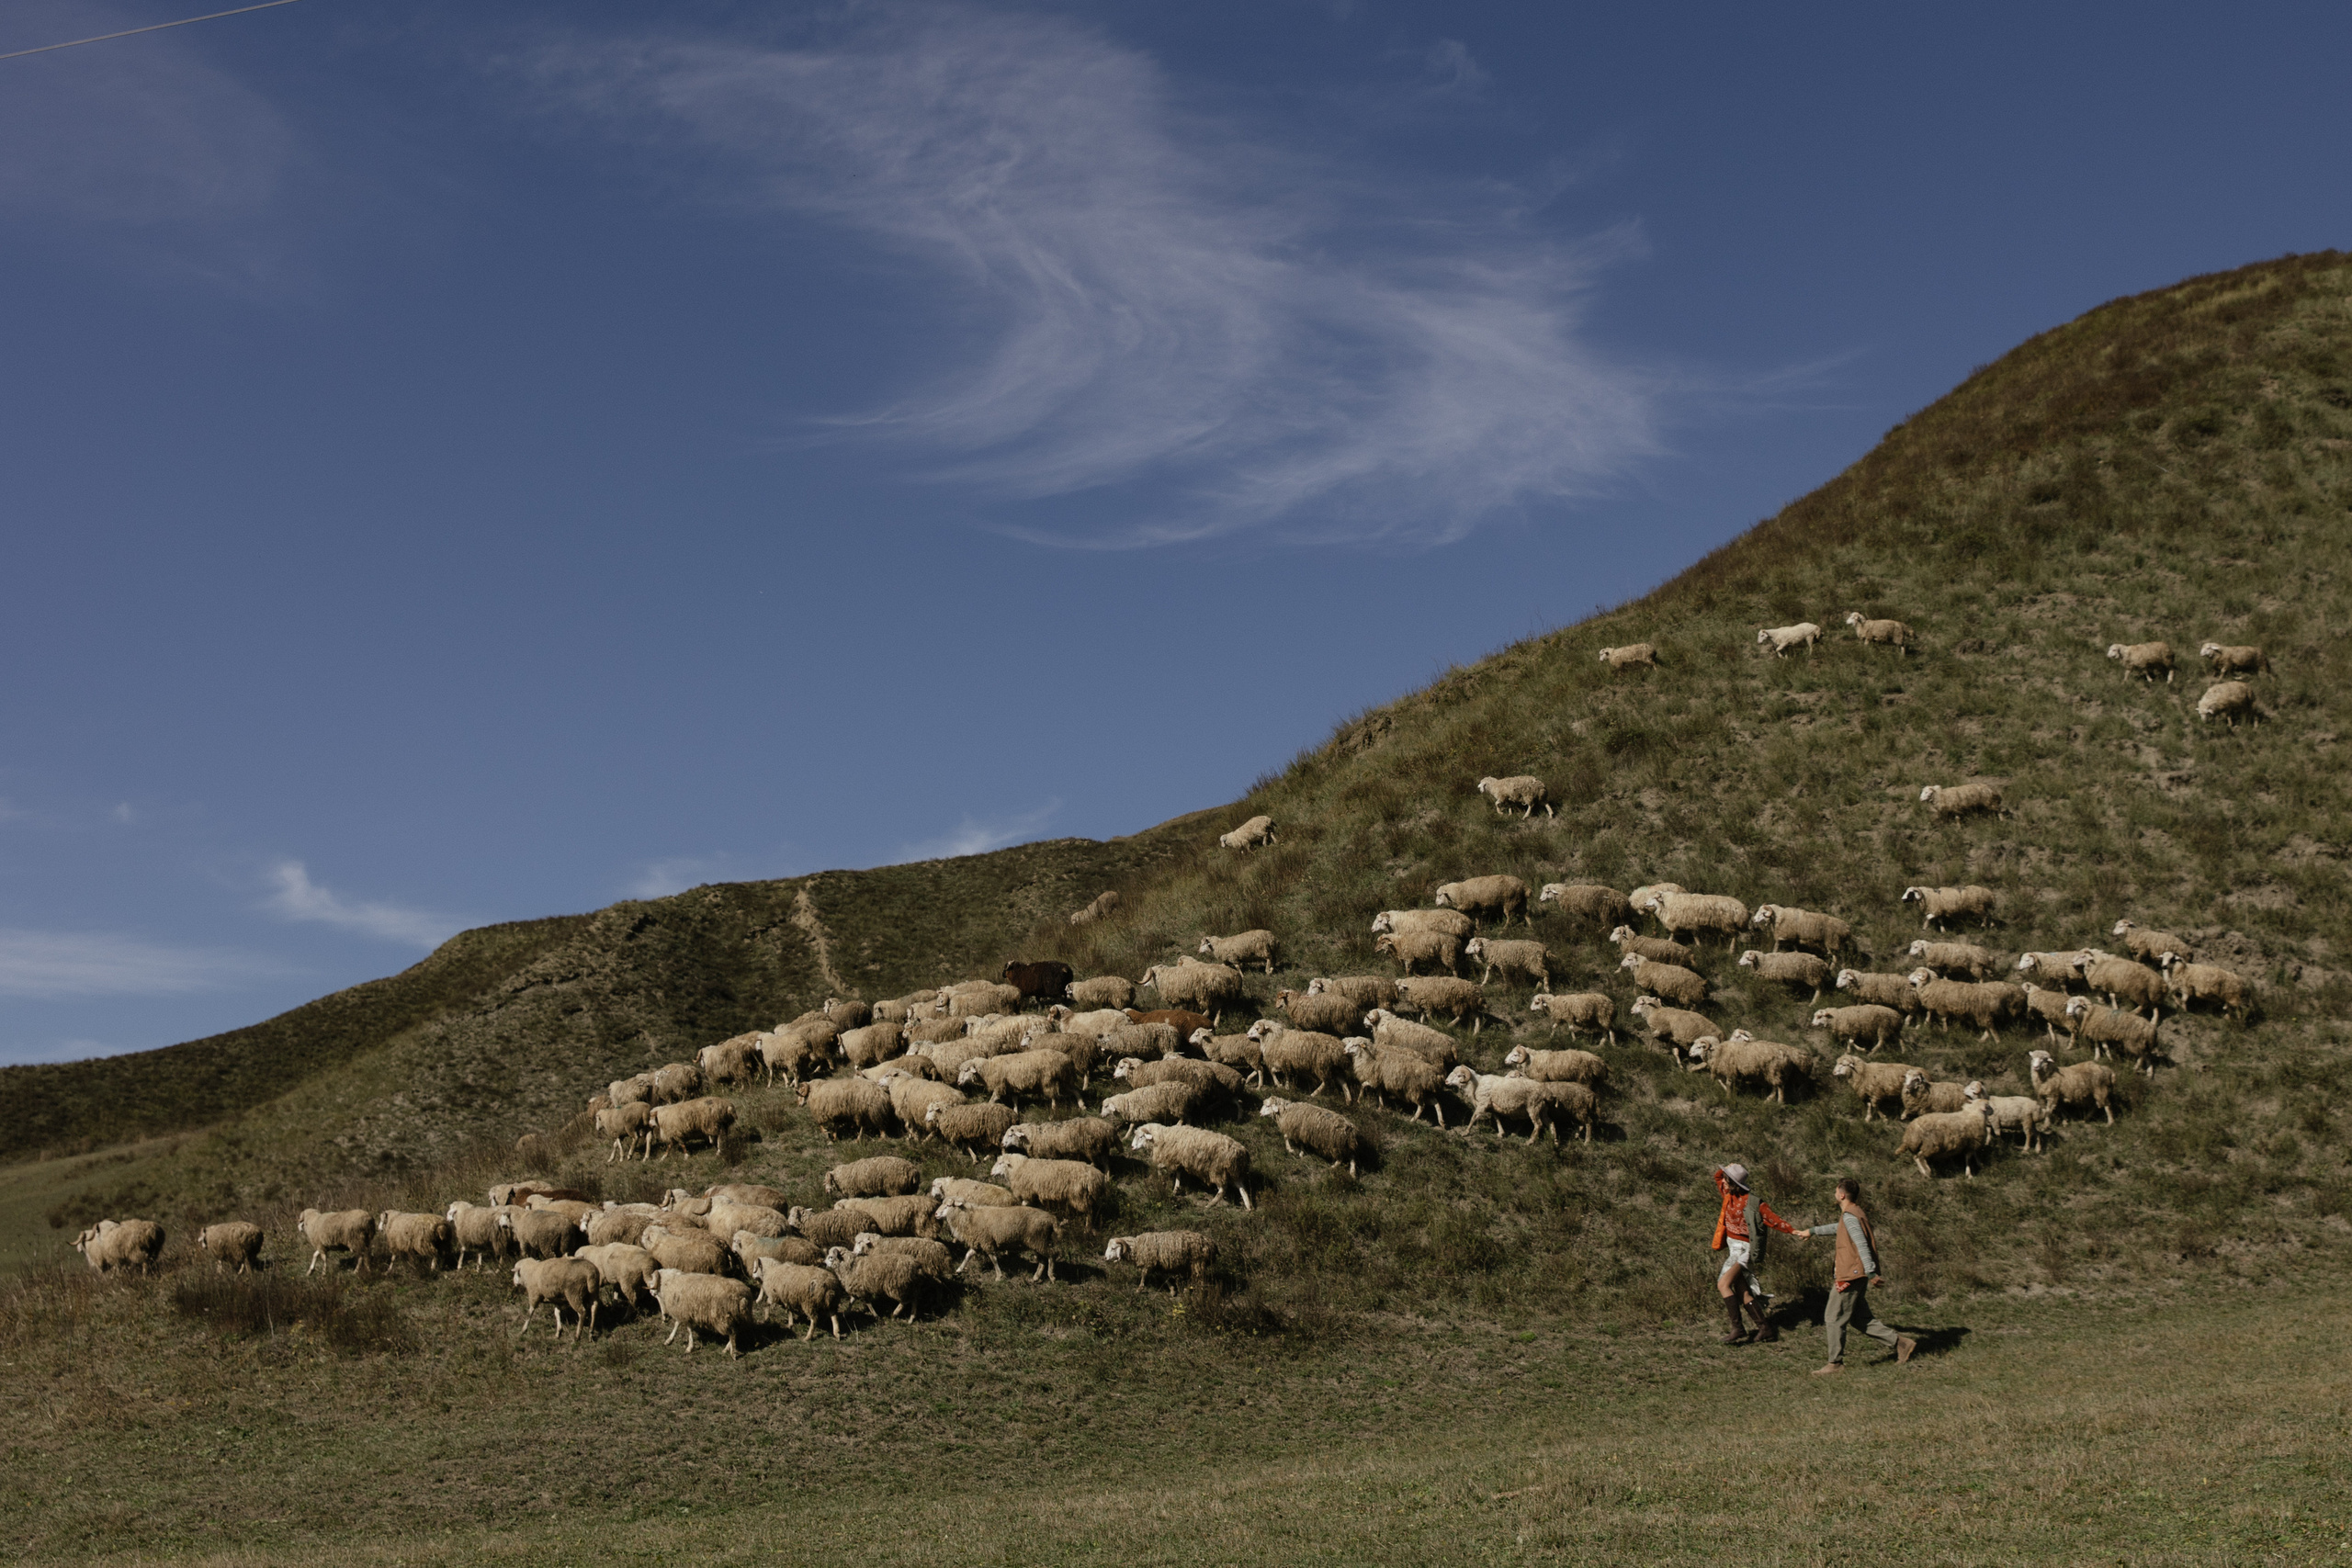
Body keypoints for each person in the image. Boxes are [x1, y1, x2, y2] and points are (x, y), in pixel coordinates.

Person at [1804, 1176, 1917, 1373]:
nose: (1834, 1194)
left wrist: (1871, 1272)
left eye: (1835, 1191)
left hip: (1851, 1274)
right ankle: (1901, 1344)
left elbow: (1861, 1244)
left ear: (1841, 1194)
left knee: (1833, 1317)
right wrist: (1812, 1231)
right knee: (1859, 1318)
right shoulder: (1852, 1214)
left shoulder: (1850, 1216)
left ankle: (1835, 1364)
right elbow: (1838, 1229)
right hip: (1856, 1273)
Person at [1711, 1162, 1803, 1344]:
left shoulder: (1752, 1202)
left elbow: (1772, 1219)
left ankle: (1738, 1328)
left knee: (1723, 1284)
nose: (1724, 1183)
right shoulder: (1728, 1194)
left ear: (1734, 1183)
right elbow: (1718, 1176)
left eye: (1728, 1180)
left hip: (1744, 1249)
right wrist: (1730, 1169)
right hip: (1733, 1247)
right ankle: (1765, 1329)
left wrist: (1792, 1230)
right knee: (1743, 1291)